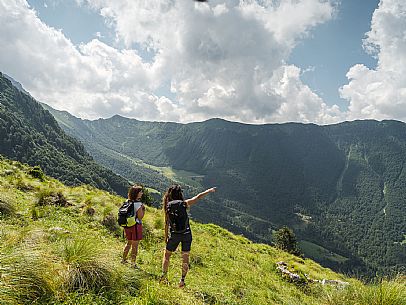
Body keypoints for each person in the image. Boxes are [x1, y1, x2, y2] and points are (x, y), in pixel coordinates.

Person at [161, 184, 216, 288]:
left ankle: (164, 276)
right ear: (180, 194)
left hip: (174, 235)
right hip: (186, 234)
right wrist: (208, 190)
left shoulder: (167, 206)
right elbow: (198, 197)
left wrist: (166, 237)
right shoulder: (184, 204)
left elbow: (166, 223)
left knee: (167, 255)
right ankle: (182, 281)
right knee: (185, 258)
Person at [122, 185, 145, 268]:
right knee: (135, 246)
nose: (142, 193)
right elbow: (140, 217)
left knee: (129, 242)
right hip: (135, 226)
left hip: (127, 225)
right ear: (137, 193)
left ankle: (123, 259)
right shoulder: (138, 204)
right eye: (140, 192)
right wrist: (143, 209)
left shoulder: (127, 201)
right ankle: (133, 263)